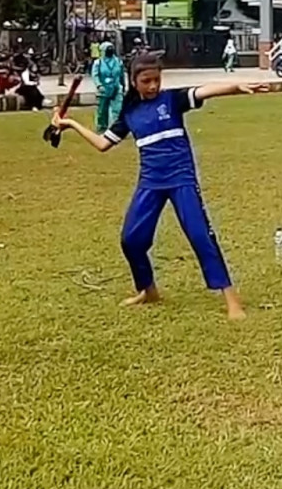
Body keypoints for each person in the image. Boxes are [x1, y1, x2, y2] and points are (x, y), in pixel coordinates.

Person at [50, 51, 266, 319]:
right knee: (131, 240)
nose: (153, 86)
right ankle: (148, 290)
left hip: (181, 178)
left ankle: (232, 301)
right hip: (150, 182)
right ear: (134, 81)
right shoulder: (129, 113)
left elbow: (204, 90)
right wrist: (70, 124)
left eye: (157, 80)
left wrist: (235, 86)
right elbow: (103, 144)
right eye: (146, 81)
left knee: (200, 236)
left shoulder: (172, 100)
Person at [91, 41, 124, 133]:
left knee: (118, 109)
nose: (110, 50)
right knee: (102, 111)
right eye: (107, 49)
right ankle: (102, 127)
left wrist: (123, 86)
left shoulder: (118, 62)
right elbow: (95, 75)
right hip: (103, 89)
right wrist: (99, 85)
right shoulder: (98, 63)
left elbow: (121, 75)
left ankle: (116, 128)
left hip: (116, 88)